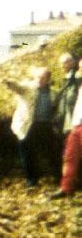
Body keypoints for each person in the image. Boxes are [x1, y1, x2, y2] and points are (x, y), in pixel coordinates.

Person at [4, 67, 60, 187]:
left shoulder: (54, 93)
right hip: (28, 125)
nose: (39, 80)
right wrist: (9, 81)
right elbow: (17, 87)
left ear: (48, 79)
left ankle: (57, 177)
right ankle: (31, 180)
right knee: (28, 153)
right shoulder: (28, 88)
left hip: (45, 126)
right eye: (37, 77)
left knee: (52, 152)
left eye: (43, 77)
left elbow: (56, 109)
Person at [51, 63, 82, 197]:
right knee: (70, 157)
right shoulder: (80, 86)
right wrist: (74, 124)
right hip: (77, 126)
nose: (80, 70)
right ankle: (66, 188)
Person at [53, 52, 79, 147]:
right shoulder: (62, 80)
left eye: (65, 63)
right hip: (63, 124)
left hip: (74, 123)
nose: (62, 66)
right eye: (61, 63)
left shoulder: (78, 79)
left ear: (72, 63)